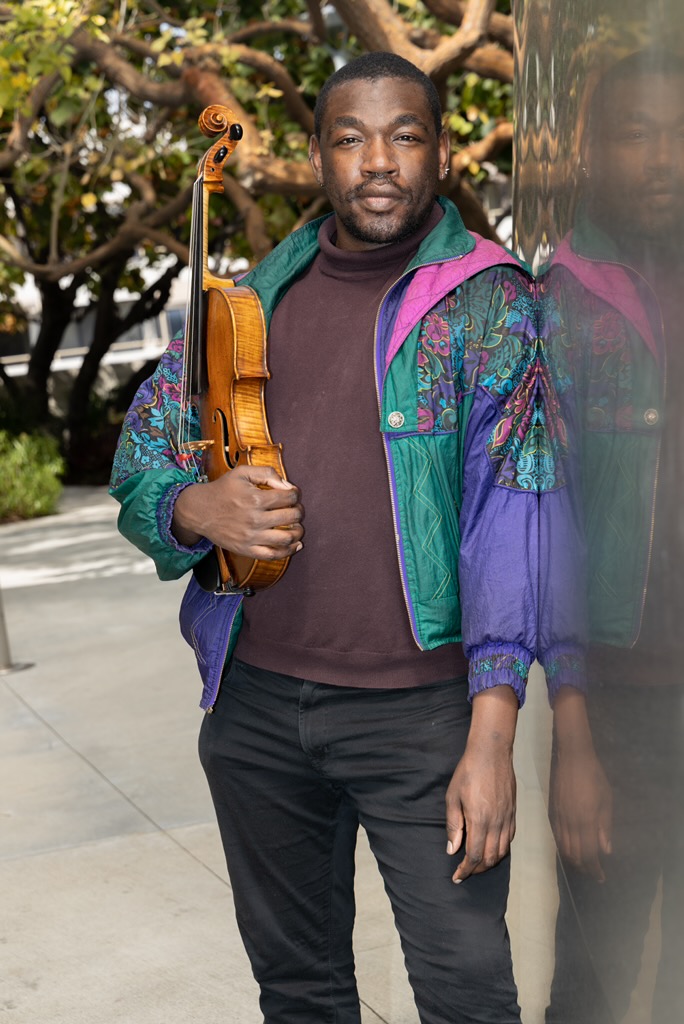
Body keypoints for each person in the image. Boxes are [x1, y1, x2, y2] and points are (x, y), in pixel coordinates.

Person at [111, 52, 569, 1024]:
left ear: (442, 153)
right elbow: (146, 450)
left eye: (405, 136)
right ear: (318, 155)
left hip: (424, 719)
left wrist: (493, 733)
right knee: (299, 993)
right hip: (257, 709)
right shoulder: (250, 300)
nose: (379, 162)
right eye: (352, 138)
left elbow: (514, 515)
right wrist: (195, 509)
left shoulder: (492, 302)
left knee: (468, 995)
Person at [544, 50, 684, 1024]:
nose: (663, 157)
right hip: (623, 705)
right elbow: (544, 538)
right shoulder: (559, 303)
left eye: (679, 133)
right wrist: (575, 741)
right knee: (594, 983)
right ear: (592, 150)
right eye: (637, 133)